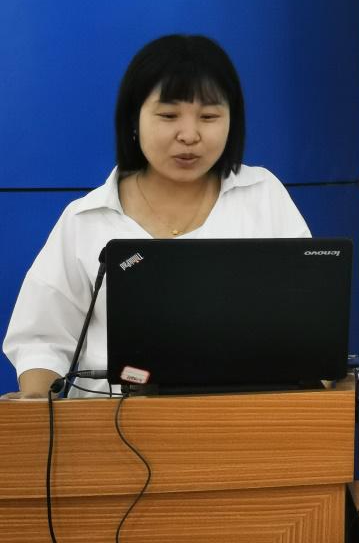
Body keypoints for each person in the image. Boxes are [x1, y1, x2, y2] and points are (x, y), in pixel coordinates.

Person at [2, 35, 310, 399]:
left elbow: (304, 323)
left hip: (243, 420)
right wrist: (40, 411)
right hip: (107, 422)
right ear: (134, 119)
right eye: (168, 115)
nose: (189, 135)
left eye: (209, 117)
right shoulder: (86, 219)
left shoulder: (262, 196)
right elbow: (41, 341)